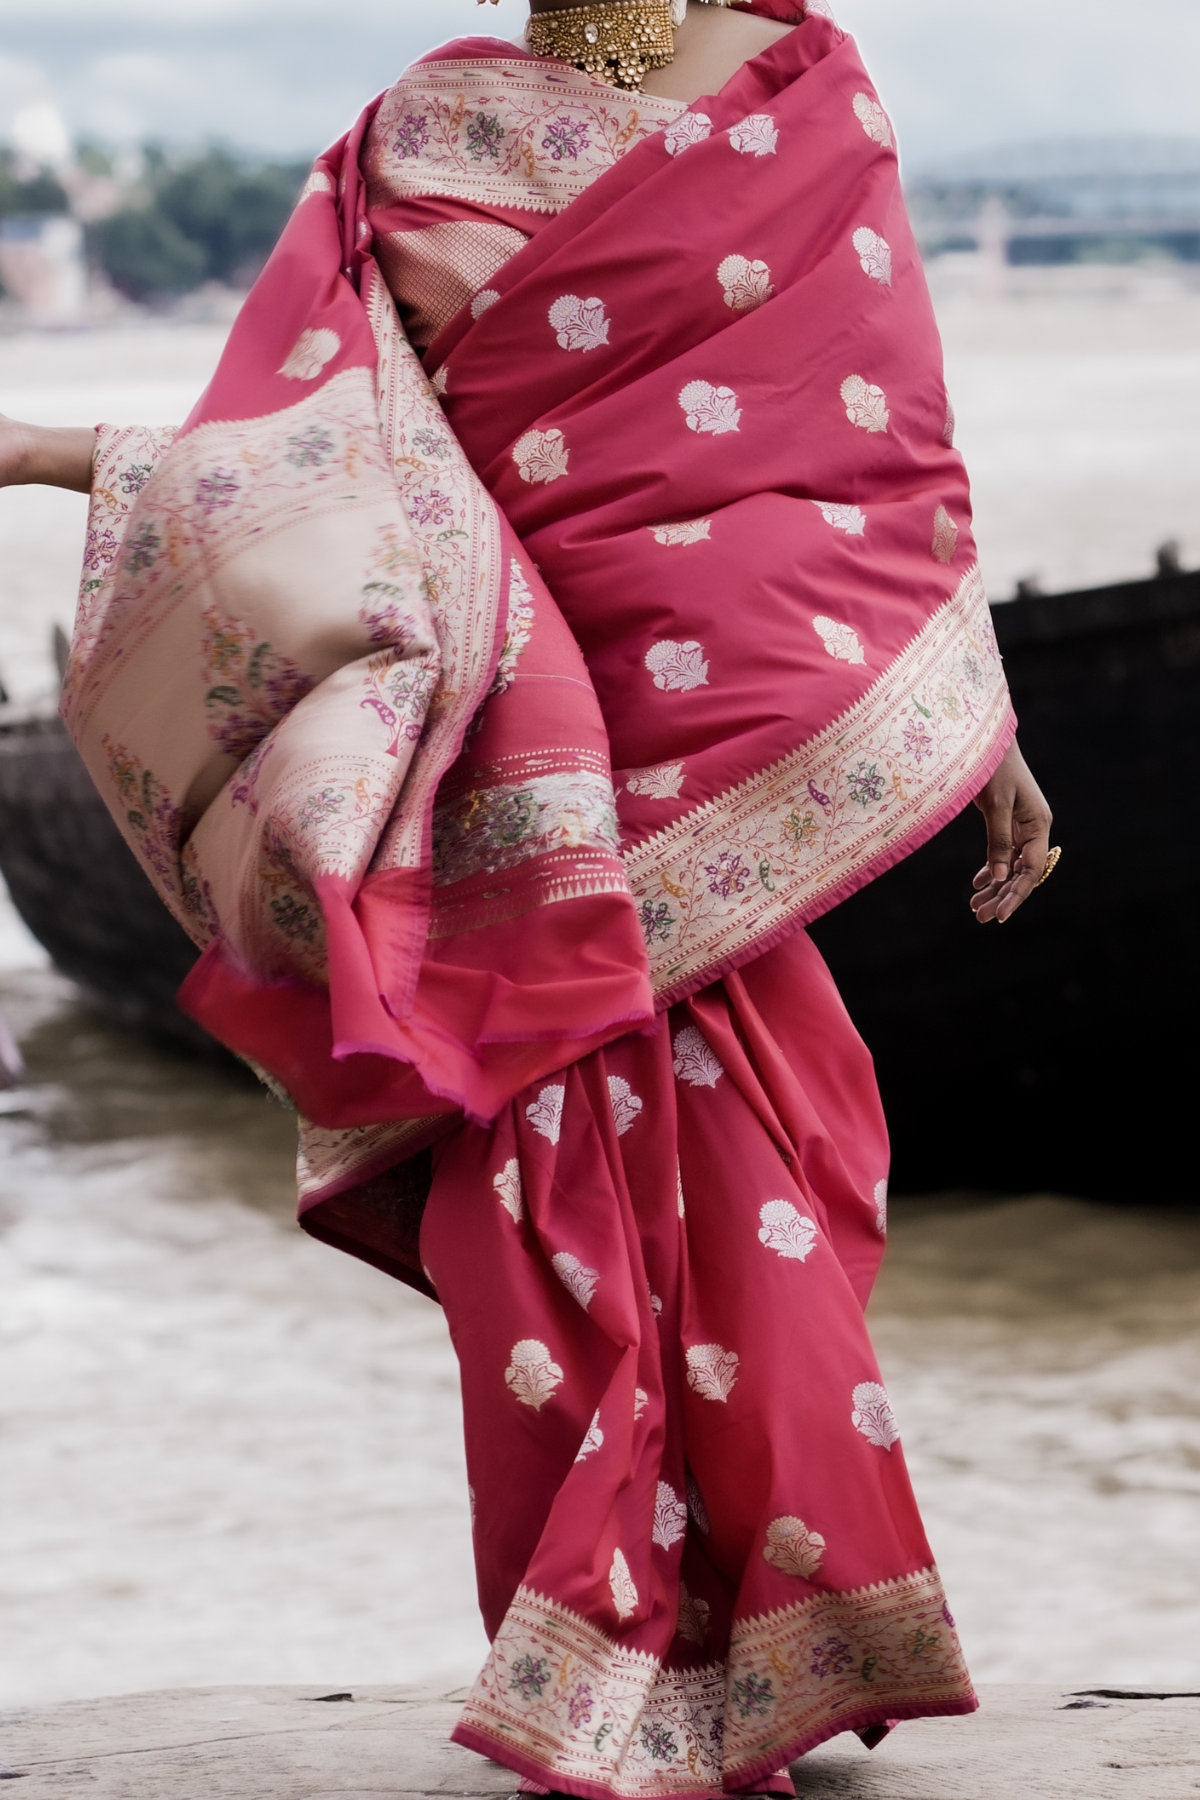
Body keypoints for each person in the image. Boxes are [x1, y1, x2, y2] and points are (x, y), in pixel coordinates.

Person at [0, 2, 1055, 1793]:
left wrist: (982, 722)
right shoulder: (428, 131)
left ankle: (779, 1642)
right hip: (509, 743)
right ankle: (617, 1657)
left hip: (702, 738)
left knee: (755, 1185)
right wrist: (49, 451)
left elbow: (871, 467)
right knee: (554, 1219)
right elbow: (332, 473)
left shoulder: (797, 98)